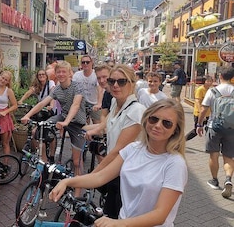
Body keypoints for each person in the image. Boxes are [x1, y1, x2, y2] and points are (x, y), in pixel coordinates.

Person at [50, 99, 188, 227]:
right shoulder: (133, 149)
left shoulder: (175, 164)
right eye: (154, 119)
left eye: (167, 123)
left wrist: (119, 223)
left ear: (175, 130)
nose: (158, 125)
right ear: (146, 120)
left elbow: (160, 215)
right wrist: (67, 182)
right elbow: (100, 177)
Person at [88, 64, 146, 219]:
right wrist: (86, 128)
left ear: (132, 83)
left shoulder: (136, 111)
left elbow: (118, 150)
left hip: (128, 178)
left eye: (121, 81)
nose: (115, 85)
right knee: (108, 217)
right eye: (111, 81)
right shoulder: (115, 103)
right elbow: (106, 124)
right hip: (116, 174)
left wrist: (93, 176)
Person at [21, 61, 86, 196]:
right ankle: (45, 162)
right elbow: (42, 103)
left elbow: (75, 105)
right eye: (59, 72)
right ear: (55, 74)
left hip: (76, 122)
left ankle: (78, 193)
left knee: (76, 161)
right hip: (62, 117)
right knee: (38, 130)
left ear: (69, 73)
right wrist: (27, 115)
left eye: (64, 72)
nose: (61, 74)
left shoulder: (77, 86)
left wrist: (67, 122)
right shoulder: (56, 88)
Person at [197, 66, 234, 198]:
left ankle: (214, 180)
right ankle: (228, 179)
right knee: (228, 157)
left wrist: (199, 124)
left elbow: (203, 109)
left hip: (214, 126)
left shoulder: (213, 91)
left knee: (214, 155)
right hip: (232, 128)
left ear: (220, 76)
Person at [17, 69, 56, 162]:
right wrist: (21, 100)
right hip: (40, 110)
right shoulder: (37, 86)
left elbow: (53, 94)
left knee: (51, 134)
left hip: (49, 111)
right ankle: (39, 153)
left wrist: (51, 105)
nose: (41, 76)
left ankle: (52, 155)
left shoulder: (50, 83)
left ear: (46, 76)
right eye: (39, 75)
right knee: (34, 132)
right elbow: (28, 93)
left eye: (43, 74)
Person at [72, 55, 103, 124]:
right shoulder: (77, 75)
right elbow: (72, 88)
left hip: (94, 103)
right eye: (83, 62)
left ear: (91, 63)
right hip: (81, 103)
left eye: (87, 62)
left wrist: (99, 103)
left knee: (97, 124)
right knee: (83, 125)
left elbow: (100, 90)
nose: (85, 64)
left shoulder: (96, 74)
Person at [0, 70, 18, 155]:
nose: (3, 80)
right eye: (2, 78)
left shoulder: (8, 91)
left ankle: (6, 164)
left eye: (6, 79)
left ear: (8, 82)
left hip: (4, 118)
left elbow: (15, 105)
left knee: (5, 143)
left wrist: (5, 112)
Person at [185, 75, 213, 140]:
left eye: (211, 81)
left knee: (209, 129)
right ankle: (182, 141)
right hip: (199, 113)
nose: (209, 83)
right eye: (208, 81)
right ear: (204, 81)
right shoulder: (200, 90)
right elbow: (197, 101)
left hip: (208, 113)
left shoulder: (210, 90)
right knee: (196, 131)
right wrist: (201, 114)